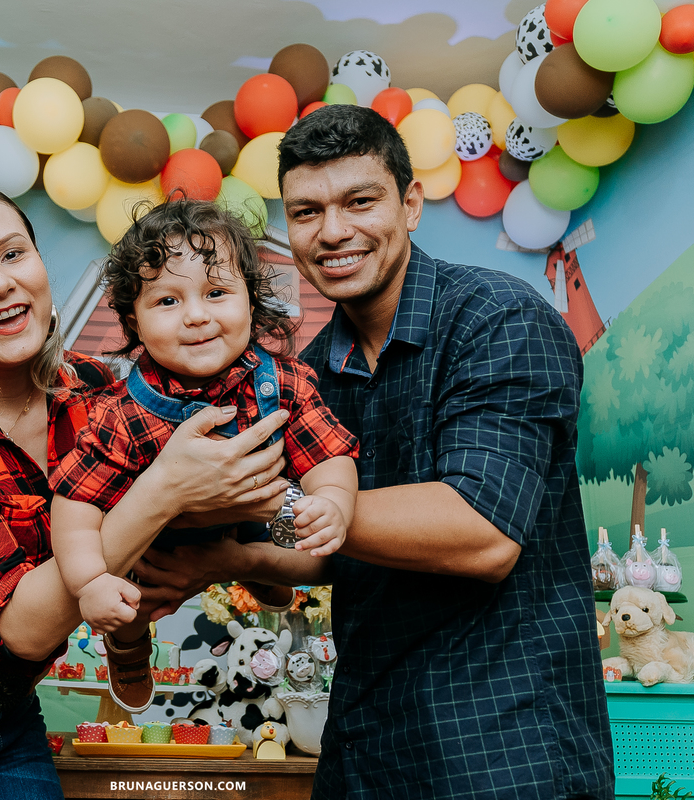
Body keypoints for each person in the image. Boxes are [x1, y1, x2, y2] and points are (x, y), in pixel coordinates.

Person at [135, 105, 615, 798]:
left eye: (360, 201)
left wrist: (256, 499)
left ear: (411, 203)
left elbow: (482, 532)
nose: (333, 231)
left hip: (506, 747)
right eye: (305, 212)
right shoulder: (311, 375)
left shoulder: (498, 319)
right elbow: (326, 544)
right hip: (365, 745)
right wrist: (227, 553)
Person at [0, 178, 290, 800]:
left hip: (8, 714)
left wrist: (227, 546)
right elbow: (26, 629)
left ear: (40, 266)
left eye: (13, 254)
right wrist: (165, 490)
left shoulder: (99, 392)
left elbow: (233, 542)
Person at [48, 200, 359, 713]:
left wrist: (335, 500)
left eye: (217, 293)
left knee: (291, 524)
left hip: (248, 520)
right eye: (167, 301)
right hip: (154, 542)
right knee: (128, 599)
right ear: (134, 322)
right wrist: (89, 583)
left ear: (252, 305)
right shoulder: (121, 413)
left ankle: (259, 571)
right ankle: (127, 652)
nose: (196, 315)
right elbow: (75, 502)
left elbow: (329, 450)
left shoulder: (282, 383)